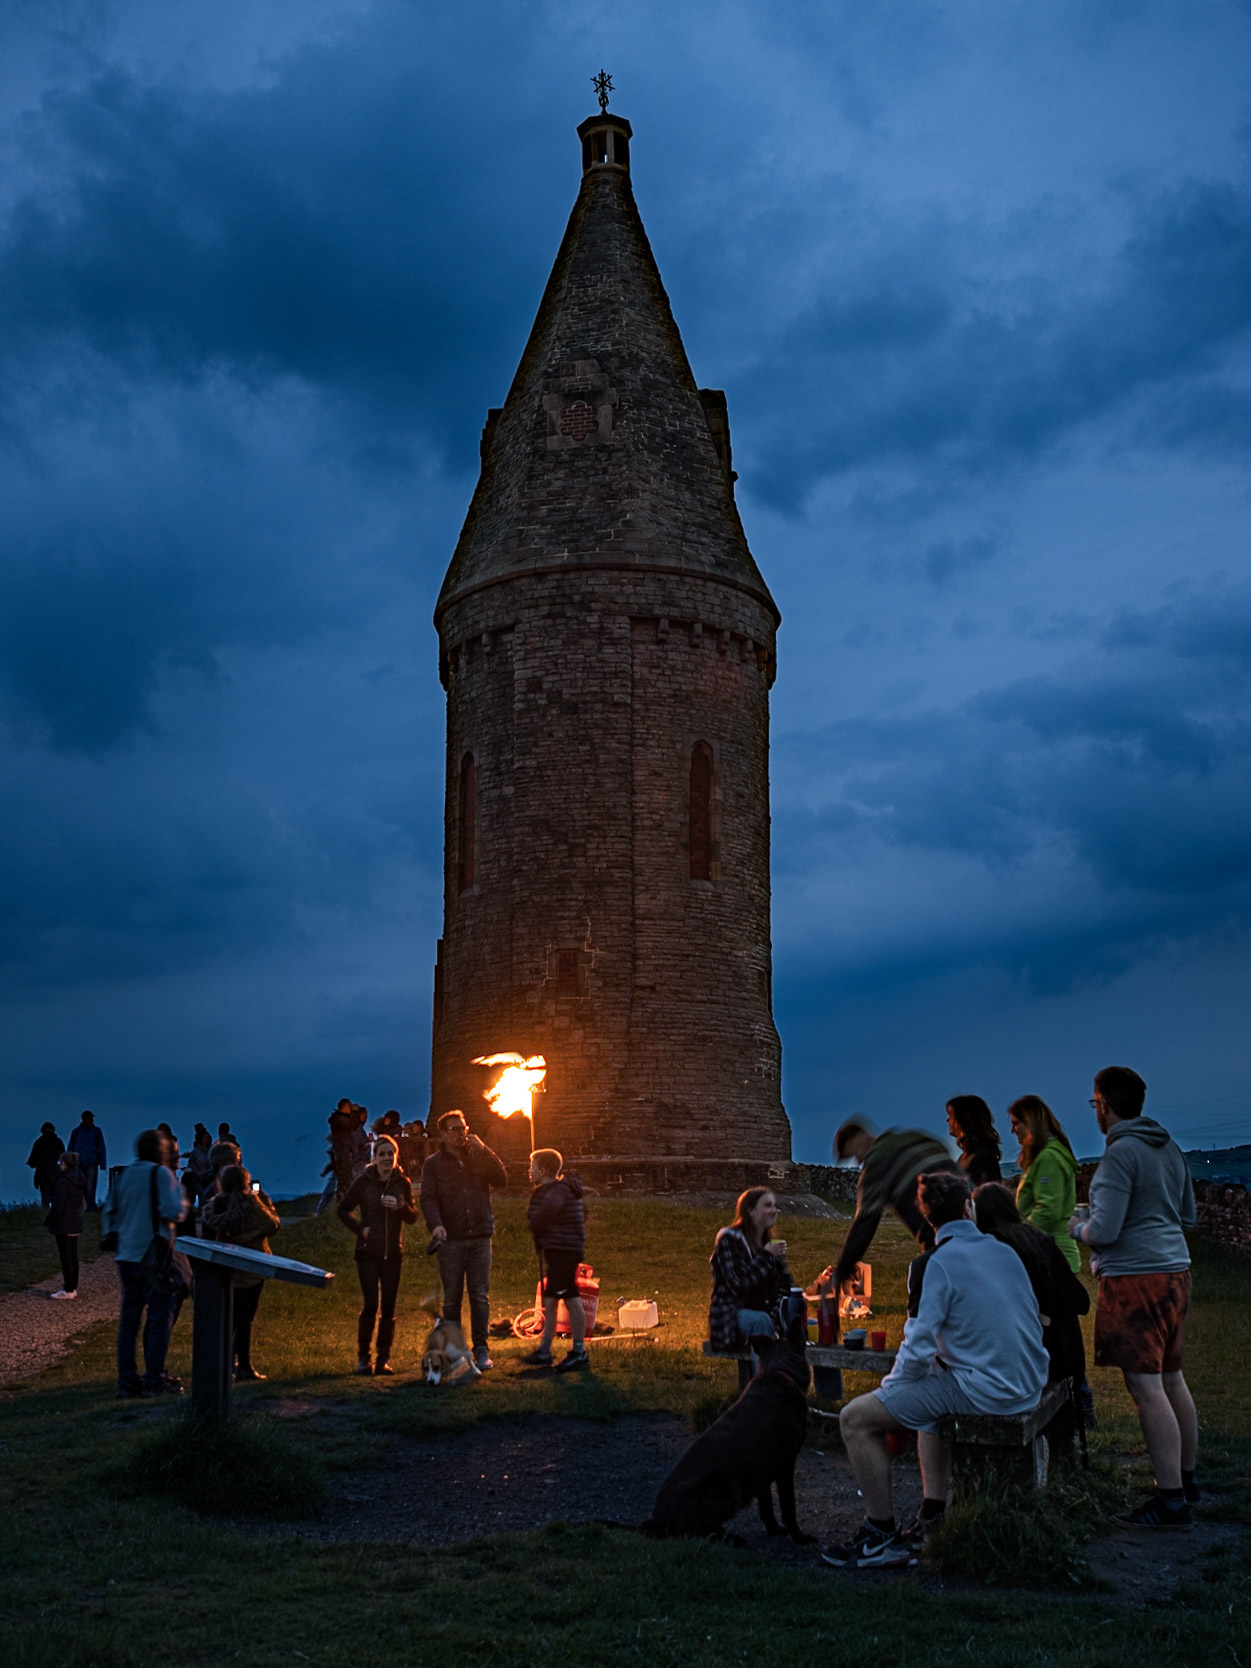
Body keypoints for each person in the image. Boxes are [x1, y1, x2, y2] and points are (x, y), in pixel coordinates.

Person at [825, 1170, 1047, 1571]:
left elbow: (919, 1344)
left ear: (930, 1221)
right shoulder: (1003, 1252)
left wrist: (888, 1392)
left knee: (855, 1418)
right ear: (969, 1207)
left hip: (990, 1390)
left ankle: (880, 1536)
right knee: (930, 1389)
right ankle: (933, 1511)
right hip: (1029, 1381)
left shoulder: (938, 1264)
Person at [1070, 1065, 1199, 1530]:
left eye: (1094, 1103)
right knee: (1171, 1378)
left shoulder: (1120, 1156)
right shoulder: (1171, 1150)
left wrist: (1077, 1228)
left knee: (1145, 1387)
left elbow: (1104, 1230)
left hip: (1136, 1280)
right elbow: (1188, 1217)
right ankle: (1186, 1478)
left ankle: (1170, 1501)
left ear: (1104, 1104)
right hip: (1176, 1273)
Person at [973, 1181, 1089, 1456]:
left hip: (1040, 1355)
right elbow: (1080, 1300)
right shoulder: (1038, 1237)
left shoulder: (997, 1245)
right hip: (1067, 1352)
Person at [832, 1120, 957, 1315]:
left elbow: (865, 1223)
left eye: (854, 1154)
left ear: (858, 1140)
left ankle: (918, 1338)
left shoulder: (877, 1163)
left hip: (938, 1237)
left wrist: (841, 1272)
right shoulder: (917, 1137)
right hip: (971, 1226)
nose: (858, 1162)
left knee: (925, 1294)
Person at [100, 1128, 188, 1396]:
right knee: (160, 1317)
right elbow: (175, 1211)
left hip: (126, 1256)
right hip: (153, 1255)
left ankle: (126, 1381)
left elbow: (110, 1212)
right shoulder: (160, 1174)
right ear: (160, 1151)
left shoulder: (126, 1175)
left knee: (129, 1321)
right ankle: (154, 1379)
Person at [420, 1110, 508, 1372]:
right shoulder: (433, 1164)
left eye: (463, 1128)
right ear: (443, 1134)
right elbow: (428, 1198)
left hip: (480, 1235)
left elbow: (501, 1179)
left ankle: (481, 1348)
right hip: (452, 1238)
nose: (462, 1133)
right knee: (452, 1298)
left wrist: (485, 1150)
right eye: (455, 1129)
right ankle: (455, 1350)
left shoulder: (478, 1157)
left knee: (479, 1295)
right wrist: (436, 1225)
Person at [338, 1134, 418, 1375]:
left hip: (393, 1253)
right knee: (371, 1304)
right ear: (375, 1157)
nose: (386, 1158)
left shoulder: (402, 1182)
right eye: (381, 1154)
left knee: (389, 1307)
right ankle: (364, 1358)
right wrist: (361, 1229)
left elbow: (413, 1216)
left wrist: (401, 1206)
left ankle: (384, 1358)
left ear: (396, 1157)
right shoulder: (364, 1182)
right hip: (368, 1253)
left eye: (390, 1154)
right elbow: (343, 1210)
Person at [202, 1164, 281, 1380]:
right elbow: (273, 1226)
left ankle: (226, 1362)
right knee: (245, 1319)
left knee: (230, 1319)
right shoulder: (252, 1204)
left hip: (227, 1270)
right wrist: (264, 1200)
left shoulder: (215, 1206)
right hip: (252, 1269)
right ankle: (244, 1365)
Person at [522, 1148, 590, 1372]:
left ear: (542, 1170)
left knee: (570, 1298)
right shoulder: (552, 1190)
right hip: (558, 1250)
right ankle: (545, 1349)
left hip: (564, 1252)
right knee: (550, 1300)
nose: (528, 1171)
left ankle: (579, 1351)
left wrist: (534, 1213)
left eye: (532, 1167)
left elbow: (542, 1216)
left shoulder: (556, 1192)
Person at [707, 1187, 793, 1355]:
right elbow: (739, 1284)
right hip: (730, 1319)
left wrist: (778, 1322)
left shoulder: (770, 1243)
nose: (774, 1211)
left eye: (775, 1206)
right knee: (760, 1321)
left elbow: (784, 1288)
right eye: (767, 1205)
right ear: (751, 1211)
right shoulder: (729, 1239)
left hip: (766, 1316)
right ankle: (764, 1378)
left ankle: (805, 1379)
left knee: (807, 1323)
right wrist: (767, 1256)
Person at [1011, 1095, 1080, 1272]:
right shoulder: (1044, 1156)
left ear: (1029, 1123)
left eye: (1016, 1123)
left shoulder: (1048, 1158)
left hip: (1053, 1254)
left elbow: (1048, 1210)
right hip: (1049, 1251)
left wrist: (1021, 1237)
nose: (1013, 1130)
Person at [46, 1151, 88, 1299]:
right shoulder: (78, 1180)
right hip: (75, 1220)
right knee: (73, 1256)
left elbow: (58, 1205)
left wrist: (49, 1220)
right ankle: (72, 1286)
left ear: (63, 1164)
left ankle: (69, 1289)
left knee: (65, 1257)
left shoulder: (63, 1182)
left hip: (64, 1222)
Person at [945, 1096, 1002, 1186]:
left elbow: (987, 1194)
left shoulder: (983, 1157)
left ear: (964, 1119)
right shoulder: (966, 1156)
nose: (947, 1120)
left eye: (951, 1116)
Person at [68, 1110, 106, 1210]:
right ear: (84, 1119)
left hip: (92, 1162)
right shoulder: (76, 1132)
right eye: (90, 1118)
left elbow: (101, 1147)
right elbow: (71, 1147)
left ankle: (90, 1206)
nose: (92, 1120)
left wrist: (102, 1163)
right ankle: (83, 1206)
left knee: (91, 1185)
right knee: (80, 1185)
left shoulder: (97, 1131)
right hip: (79, 1162)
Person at [26, 1122, 65, 1209]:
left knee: (45, 1198)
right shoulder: (58, 1142)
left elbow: (32, 1162)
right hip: (56, 1174)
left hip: (43, 1174)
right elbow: (64, 1158)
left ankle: (47, 1216)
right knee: (57, 1197)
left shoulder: (39, 1142)